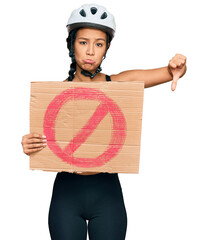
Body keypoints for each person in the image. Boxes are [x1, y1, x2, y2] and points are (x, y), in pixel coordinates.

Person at [21, 4, 187, 240]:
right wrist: (29, 144)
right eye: (83, 42)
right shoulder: (53, 95)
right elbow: (42, 140)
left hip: (107, 193)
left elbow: (168, 72)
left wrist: (179, 67)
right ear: (71, 45)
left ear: (106, 48)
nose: (90, 51)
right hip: (66, 194)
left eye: (98, 44)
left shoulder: (118, 85)